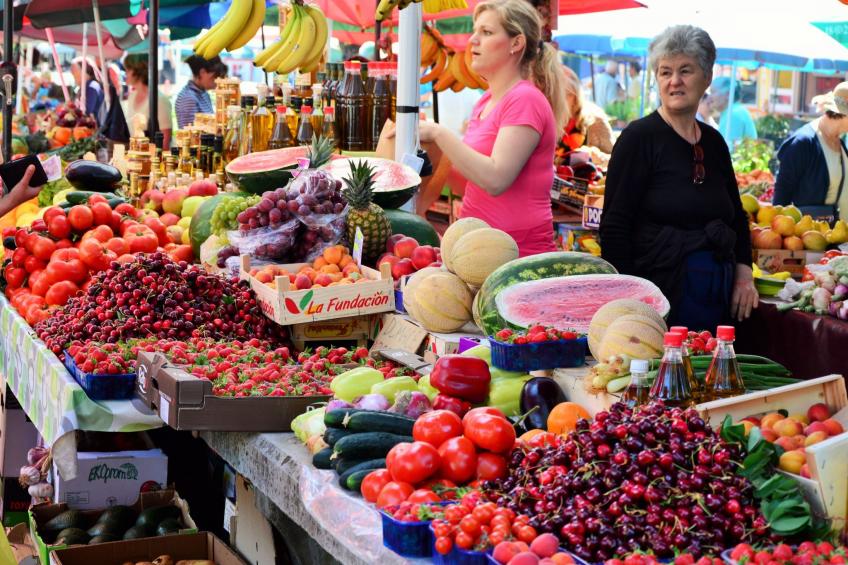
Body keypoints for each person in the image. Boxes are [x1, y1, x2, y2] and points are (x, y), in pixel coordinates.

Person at [599, 25, 757, 329]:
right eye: (665, 72)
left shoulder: (713, 142)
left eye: (686, 70)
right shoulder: (638, 138)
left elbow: (736, 216)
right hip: (657, 301)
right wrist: (631, 306)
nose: (674, 81)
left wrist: (743, 272)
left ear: (707, 77)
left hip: (714, 299)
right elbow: (615, 228)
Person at [388, 0, 566, 256]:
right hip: (475, 248)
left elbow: (495, 180)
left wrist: (439, 134)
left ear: (516, 44)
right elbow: (468, 183)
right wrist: (425, 163)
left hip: (516, 256)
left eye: (487, 32)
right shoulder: (485, 100)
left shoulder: (525, 99)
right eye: (475, 31)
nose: (473, 40)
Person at [773, 83, 848, 220]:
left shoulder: (841, 144)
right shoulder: (802, 143)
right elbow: (781, 195)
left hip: (840, 237)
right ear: (843, 114)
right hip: (812, 236)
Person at [122, 54, 173, 149]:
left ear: (137, 71)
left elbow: (165, 140)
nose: (125, 74)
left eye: (128, 70)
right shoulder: (132, 96)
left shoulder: (159, 100)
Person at [559, 65, 613, 154]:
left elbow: (615, 159)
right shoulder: (548, 119)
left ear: (576, 95)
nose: (561, 101)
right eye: (556, 95)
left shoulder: (595, 120)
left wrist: (597, 156)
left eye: (568, 94)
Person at [174, 55, 224, 128]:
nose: (217, 80)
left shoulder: (203, 93)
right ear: (202, 72)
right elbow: (191, 135)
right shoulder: (188, 98)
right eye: (215, 76)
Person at [710, 76, 757, 150]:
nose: (710, 97)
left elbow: (727, 152)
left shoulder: (733, 115)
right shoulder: (734, 110)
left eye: (713, 92)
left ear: (728, 94)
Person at [71, 59, 105, 124]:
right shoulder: (85, 87)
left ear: (83, 71)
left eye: (74, 70)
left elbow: (85, 114)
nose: (72, 73)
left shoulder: (91, 87)